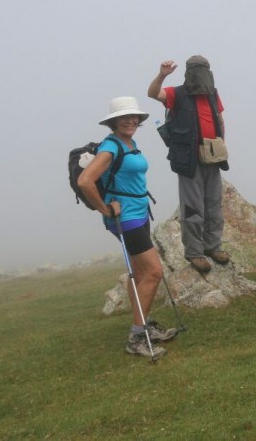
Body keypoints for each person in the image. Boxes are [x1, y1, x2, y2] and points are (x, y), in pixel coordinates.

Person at [78, 97, 179, 358]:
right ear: (114, 121)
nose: (131, 120)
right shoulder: (111, 146)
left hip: (138, 214)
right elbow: (85, 181)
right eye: (125, 117)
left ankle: (143, 326)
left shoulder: (129, 143)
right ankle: (137, 337)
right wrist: (105, 208)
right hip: (126, 219)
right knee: (154, 272)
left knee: (140, 274)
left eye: (134, 117)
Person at [148, 56, 230, 275]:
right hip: (188, 160)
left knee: (214, 204)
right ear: (187, 72)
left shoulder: (213, 93)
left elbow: (219, 119)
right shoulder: (177, 93)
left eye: (203, 69)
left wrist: (221, 144)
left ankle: (213, 246)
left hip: (212, 157)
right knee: (193, 207)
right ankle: (195, 252)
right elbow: (153, 93)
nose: (200, 73)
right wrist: (162, 74)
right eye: (196, 69)